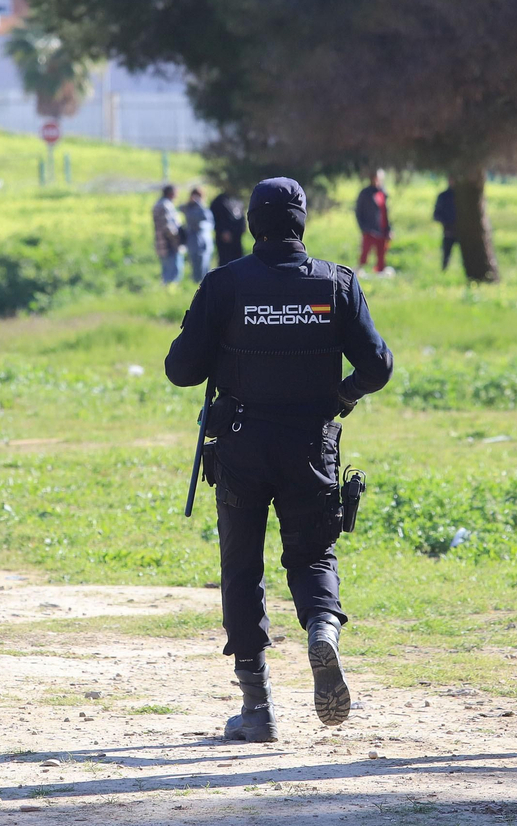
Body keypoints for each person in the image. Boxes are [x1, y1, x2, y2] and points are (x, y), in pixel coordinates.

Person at [165, 177, 393, 742]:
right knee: (313, 554)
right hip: (311, 443)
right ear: (302, 223)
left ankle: (258, 707)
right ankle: (322, 630)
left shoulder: (224, 284)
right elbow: (378, 366)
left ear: (252, 223)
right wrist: (341, 397)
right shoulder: (336, 283)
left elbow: (180, 370)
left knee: (242, 567)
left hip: (242, 444)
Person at [354, 170, 391, 274]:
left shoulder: (383, 192)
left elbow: (386, 212)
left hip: (382, 228)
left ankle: (380, 272)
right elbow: (358, 211)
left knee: (382, 252)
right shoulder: (365, 193)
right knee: (365, 252)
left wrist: (389, 229)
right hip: (369, 229)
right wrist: (363, 228)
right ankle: (360, 271)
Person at [181, 186, 215, 282]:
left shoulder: (204, 208)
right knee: (195, 264)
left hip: (205, 240)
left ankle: (205, 284)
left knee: (205, 264)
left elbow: (210, 222)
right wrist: (190, 202)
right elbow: (180, 208)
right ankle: (196, 285)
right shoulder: (188, 208)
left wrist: (199, 203)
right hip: (193, 240)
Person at [152, 184, 183, 285]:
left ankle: (167, 291)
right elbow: (168, 227)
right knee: (173, 272)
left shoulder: (159, 204)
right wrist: (180, 237)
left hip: (162, 243)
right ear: (171, 193)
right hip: (169, 244)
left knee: (166, 270)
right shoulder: (165, 205)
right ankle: (170, 292)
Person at [210, 189, 247, 266]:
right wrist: (222, 231)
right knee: (225, 261)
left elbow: (241, 216)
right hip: (225, 239)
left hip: (237, 236)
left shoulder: (237, 200)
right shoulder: (219, 201)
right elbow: (215, 218)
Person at [433, 186, 457, 271]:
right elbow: (436, 215)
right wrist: (447, 224)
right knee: (446, 257)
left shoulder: (463, 196)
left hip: (463, 233)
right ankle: (444, 271)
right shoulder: (444, 196)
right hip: (448, 231)